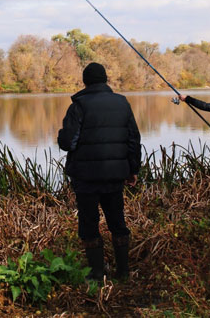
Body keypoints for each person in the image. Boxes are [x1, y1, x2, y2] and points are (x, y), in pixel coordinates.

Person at [57, 62, 141, 281]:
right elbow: (134, 139)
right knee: (117, 222)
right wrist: (133, 170)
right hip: (115, 175)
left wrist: (60, 134)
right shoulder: (122, 102)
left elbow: (68, 142)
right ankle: (123, 272)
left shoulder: (79, 105)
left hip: (86, 177)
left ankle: (96, 273)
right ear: (105, 80)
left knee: (88, 223)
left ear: (85, 81)